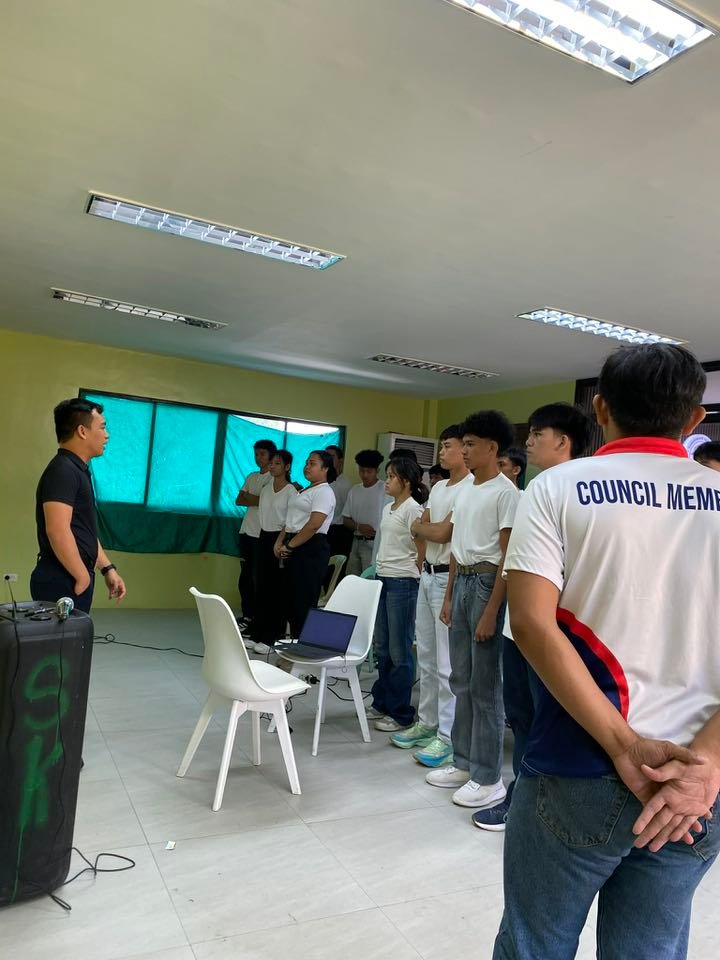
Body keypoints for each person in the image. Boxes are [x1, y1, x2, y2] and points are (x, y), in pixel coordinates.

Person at [493, 344, 720, 960]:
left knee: (535, 944)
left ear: (599, 409)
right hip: (693, 783)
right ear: (694, 418)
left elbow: (531, 624)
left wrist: (623, 745)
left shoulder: (555, 488)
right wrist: (705, 764)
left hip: (579, 761)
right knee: (650, 949)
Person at [475, 403, 591, 830]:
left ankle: (538, 807)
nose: (528, 441)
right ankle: (521, 798)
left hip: (552, 630)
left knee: (547, 720)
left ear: (563, 441)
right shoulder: (533, 490)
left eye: (538, 434)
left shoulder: (581, 491)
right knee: (521, 715)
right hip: (518, 626)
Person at [423, 411, 520, 816]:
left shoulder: (506, 493)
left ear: (492, 448)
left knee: (485, 687)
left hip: (486, 586)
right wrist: (448, 598)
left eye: (470, 444)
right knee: (460, 678)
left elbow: (507, 558)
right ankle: (462, 761)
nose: (463, 450)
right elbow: (456, 551)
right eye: (462, 443)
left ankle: (488, 776)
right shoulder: (464, 491)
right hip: (461, 582)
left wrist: (491, 611)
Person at [391, 424, 473, 766]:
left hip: (447, 579)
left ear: (465, 450)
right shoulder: (439, 487)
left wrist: (425, 529)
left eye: (448, 446)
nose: (442, 452)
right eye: (442, 446)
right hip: (425, 575)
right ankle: (426, 723)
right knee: (424, 654)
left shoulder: (470, 488)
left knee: (445, 663)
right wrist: (426, 530)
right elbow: (425, 527)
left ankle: (447, 736)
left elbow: (442, 533)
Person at [30, 398, 126, 613]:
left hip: (69, 576)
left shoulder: (76, 470)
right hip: (62, 578)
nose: (107, 435)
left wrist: (107, 568)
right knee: (63, 637)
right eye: (102, 427)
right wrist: (82, 576)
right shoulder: (63, 471)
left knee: (75, 635)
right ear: (82, 431)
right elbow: (57, 530)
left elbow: (83, 530)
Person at [369, 457, 427, 733]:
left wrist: (416, 573)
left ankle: (401, 712)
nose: (387, 481)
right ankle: (382, 701)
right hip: (383, 578)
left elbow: (421, 547)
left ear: (406, 481)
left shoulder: (413, 509)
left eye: (392, 476)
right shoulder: (388, 508)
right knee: (382, 646)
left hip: (402, 582)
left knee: (399, 649)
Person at [275, 450, 336, 637]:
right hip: (293, 540)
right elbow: (291, 519)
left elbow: (313, 525)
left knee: (303, 601)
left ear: (325, 469)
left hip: (310, 547)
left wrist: (290, 545)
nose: (307, 467)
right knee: (289, 599)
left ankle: (302, 648)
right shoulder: (303, 490)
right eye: (307, 463)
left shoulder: (324, 492)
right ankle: (291, 644)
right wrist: (280, 541)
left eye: (312, 464)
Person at [250, 450, 298, 656]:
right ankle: (257, 633)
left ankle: (272, 637)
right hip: (263, 536)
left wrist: (280, 542)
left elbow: (290, 521)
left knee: (276, 589)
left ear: (287, 467)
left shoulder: (291, 491)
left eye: (277, 463)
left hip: (279, 539)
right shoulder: (266, 488)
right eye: (271, 463)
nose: (272, 466)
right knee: (260, 586)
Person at [235, 439, 276, 633]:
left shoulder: (273, 479)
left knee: (257, 577)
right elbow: (239, 500)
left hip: (261, 534)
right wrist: (255, 499)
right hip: (246, 532)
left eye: (262, 454)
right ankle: (247, 615)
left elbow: (267, 502)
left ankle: (257, 619)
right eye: (256, 454)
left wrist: (252, 498)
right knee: (244, 578)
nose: (258, 457)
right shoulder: (252, 476)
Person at [342, 449, 386, 575]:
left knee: (369, 579)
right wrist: (359, 527)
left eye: (369, 471)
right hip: (356, 542)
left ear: (377, 471)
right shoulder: (354, 490)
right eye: (362, 470)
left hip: (375, 543)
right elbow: (345, 519)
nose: (365, 475)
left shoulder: (384, 489)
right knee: (351, 578)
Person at [326, 444, 354, 563]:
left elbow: (349, 512)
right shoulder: (322, 481)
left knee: (336, 565)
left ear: (340, 461)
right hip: (323, 529)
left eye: (332, 456)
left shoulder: (346, 484)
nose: (328, 459)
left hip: (339, 531)